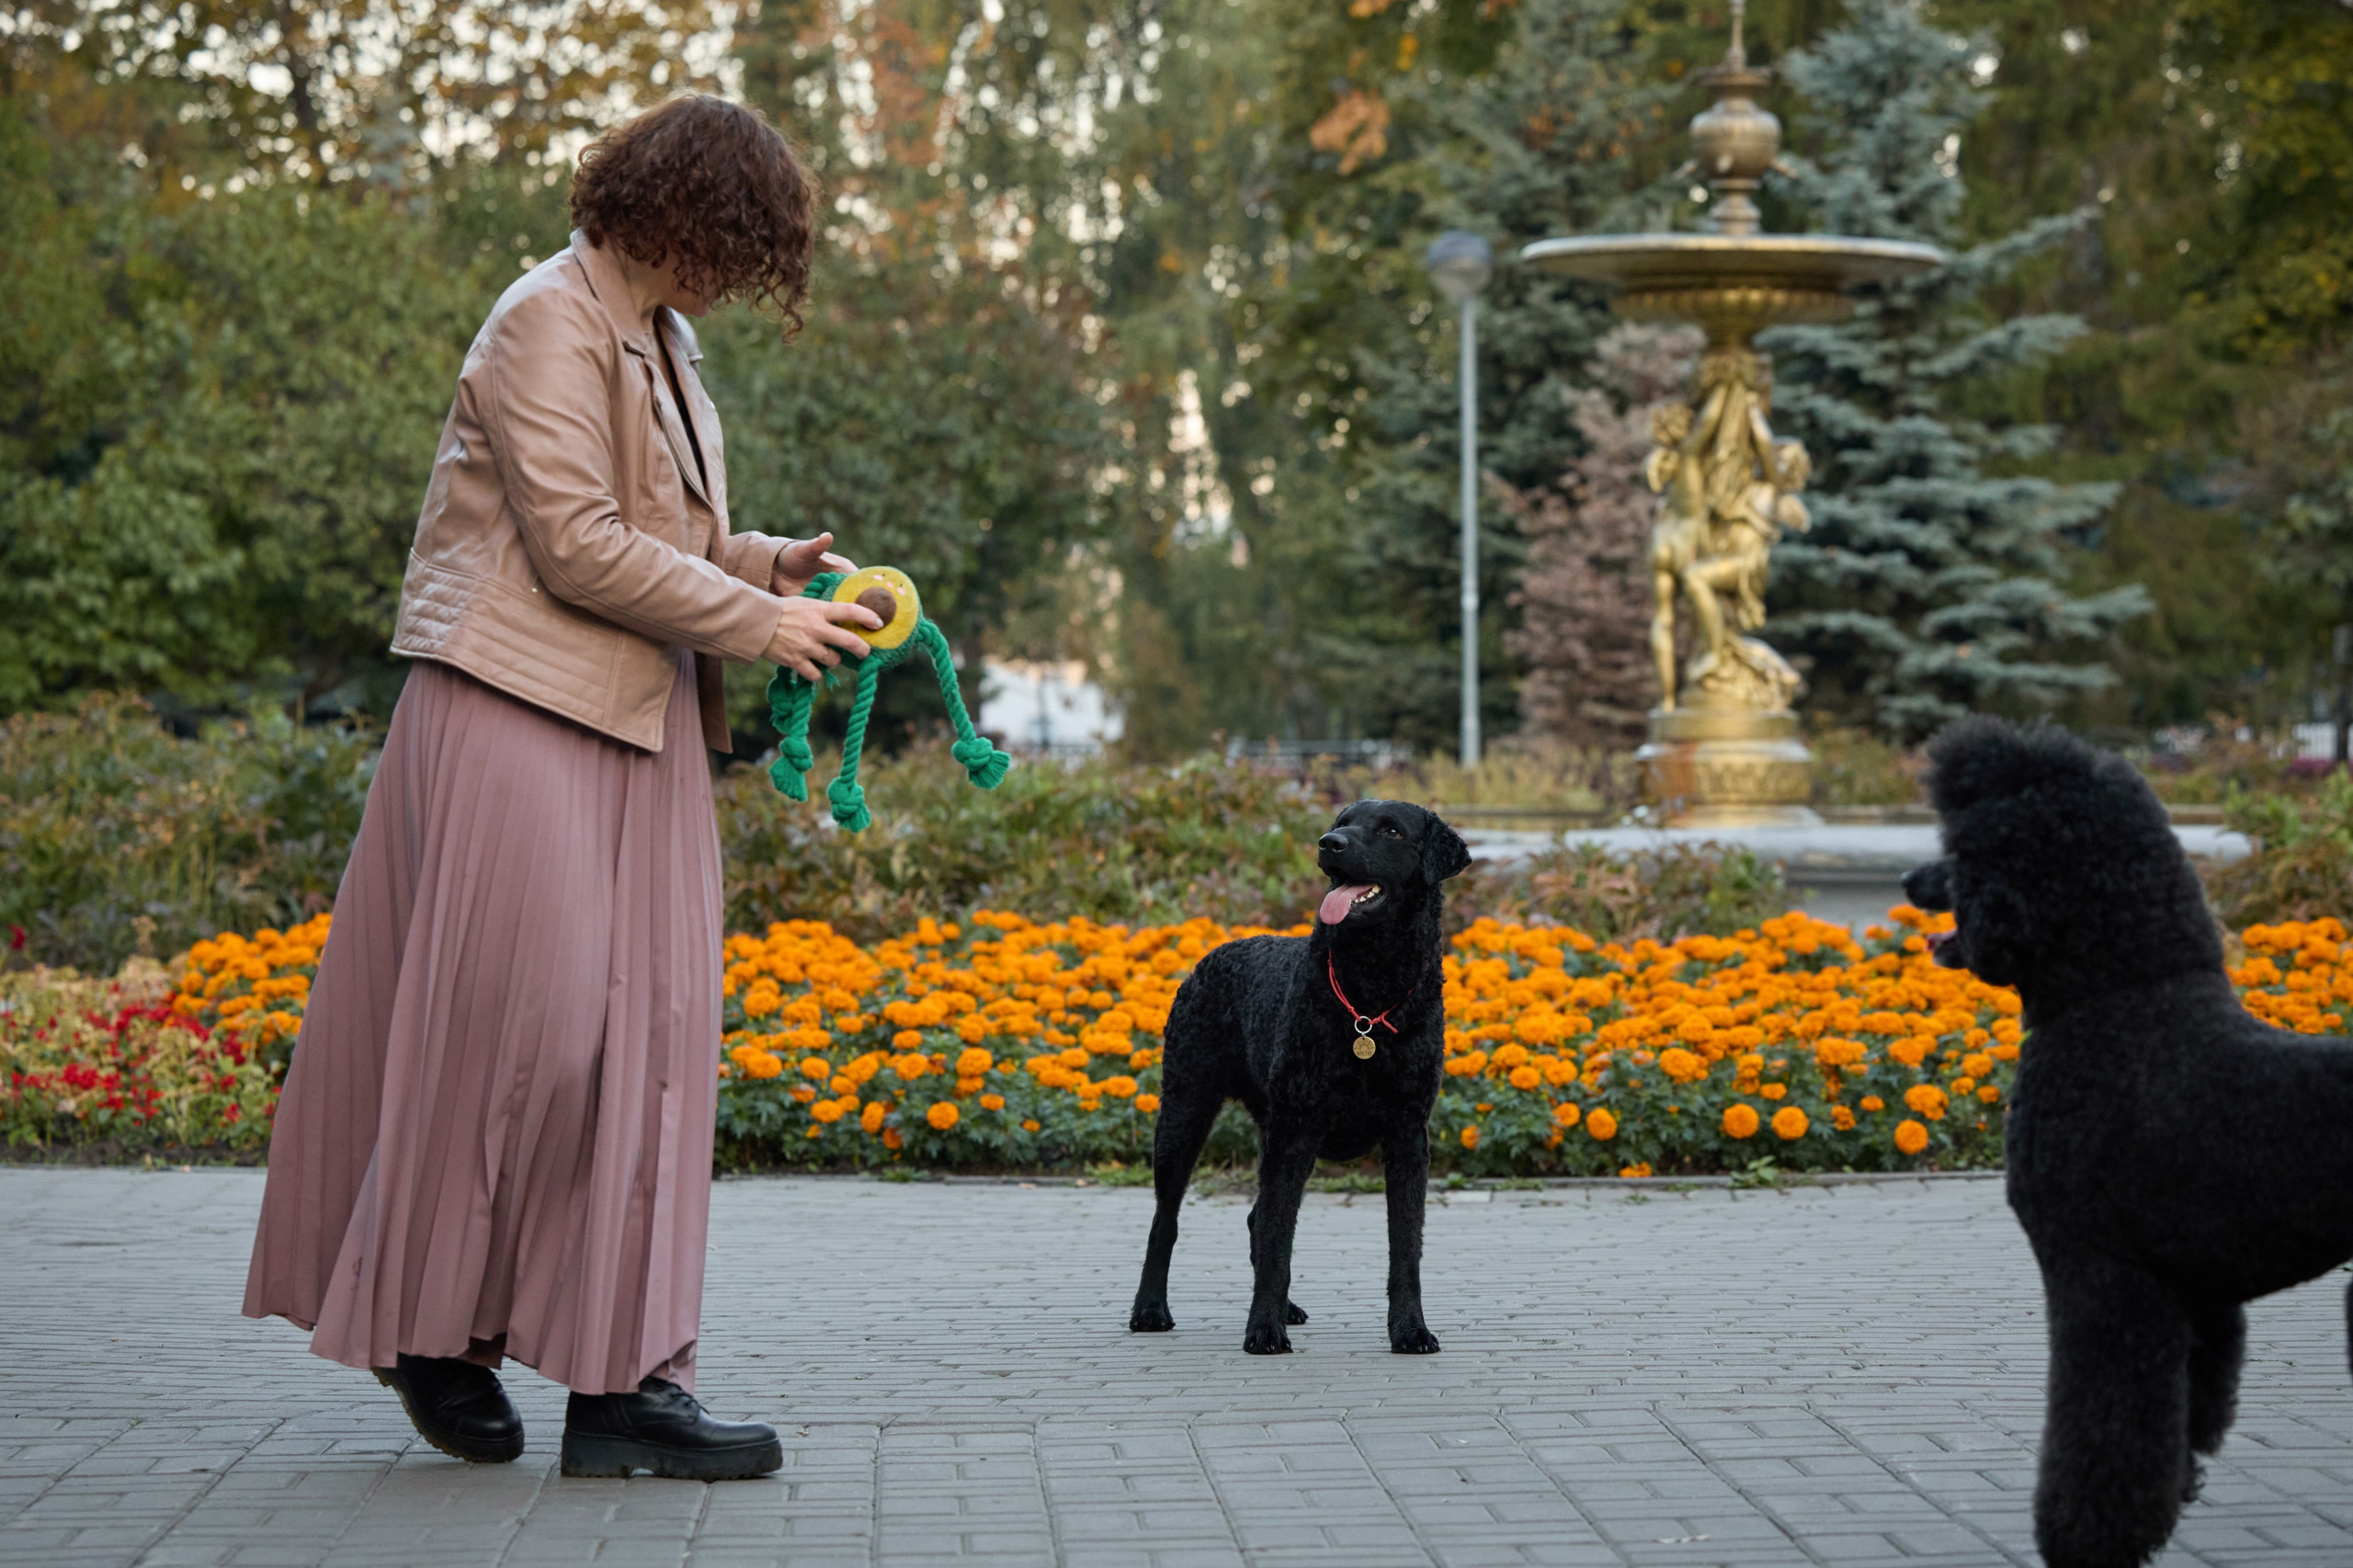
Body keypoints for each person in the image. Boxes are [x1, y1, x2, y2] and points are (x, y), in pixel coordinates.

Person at [242, 95, 881, 1482]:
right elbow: (579, 543)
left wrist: (768, 566)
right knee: (525, 1034)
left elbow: (672, 529)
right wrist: (752, 621)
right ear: (670, 210)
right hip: (514, 710)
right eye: (730, 239)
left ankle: (627, 1386)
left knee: (650, 1041)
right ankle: (433, 1328)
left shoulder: (665, 335)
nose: (732, 271)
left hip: (638, 720)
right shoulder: (543, 315)